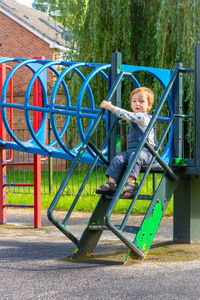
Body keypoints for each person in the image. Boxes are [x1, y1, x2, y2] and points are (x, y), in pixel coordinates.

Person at [96, 87, 156, 199]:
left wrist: (110, 107)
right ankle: (111, 183)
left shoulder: (143, 118)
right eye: (134, 101)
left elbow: (126, 115)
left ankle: (131, 183)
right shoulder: (135, 117)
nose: (137, 103)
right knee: (118, 158)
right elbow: (125, 116)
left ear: (149, 106)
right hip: (131, 151)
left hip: (147, 152)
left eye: (141, 101)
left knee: (135, 156)